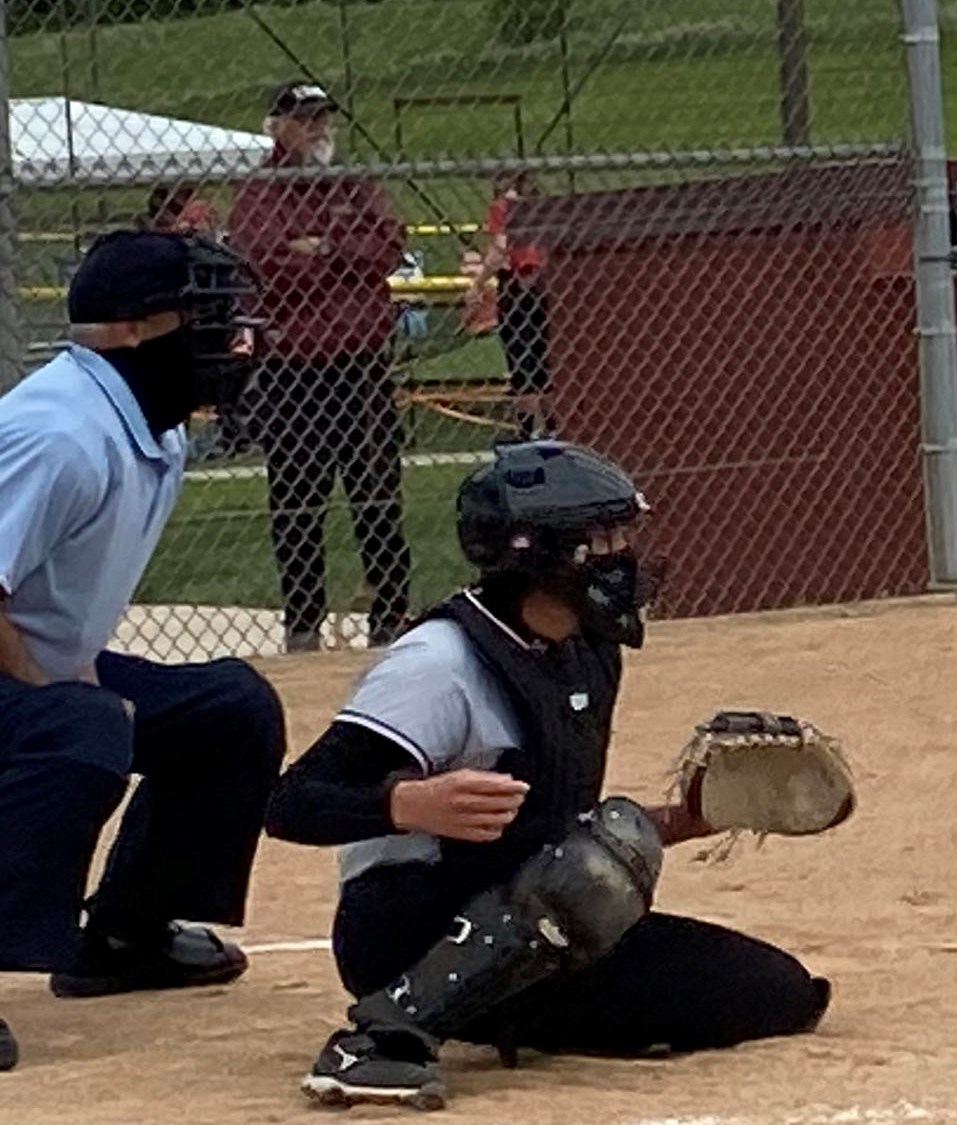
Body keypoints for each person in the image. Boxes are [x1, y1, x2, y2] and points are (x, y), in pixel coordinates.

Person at [264, 440, 831, 1109]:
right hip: (404, 933)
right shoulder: (438, 663)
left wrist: (692, 817)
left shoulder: (583, 648)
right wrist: (407, 803)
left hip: (533, 919)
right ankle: (383, 1034)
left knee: (778, 990)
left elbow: (557, 836)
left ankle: (499, 1008)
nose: (624, 554)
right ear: (539, 554)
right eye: (603, 538)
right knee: (582, 881)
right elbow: (290, 802)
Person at [0, 231, 286, 1070]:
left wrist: (75, 682)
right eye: (205, 315)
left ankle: (126, 934)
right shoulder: (58, 433)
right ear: (132, 330)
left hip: (33, 668)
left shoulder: (148, 426)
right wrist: (64, 695)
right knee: (80, 729)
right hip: (22, 676)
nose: (230, 335)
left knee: (230, 709)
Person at [231, 81, 413, 652]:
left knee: (378, 493)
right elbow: (263, 261)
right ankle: (303, 621)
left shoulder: (352, 184)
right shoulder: (261, 191)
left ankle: (391, 613)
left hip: (359, 366)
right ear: (276, 126)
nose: (318, 129)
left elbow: (386, 247)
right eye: (305, 119)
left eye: (323, 118)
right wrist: (338, 255)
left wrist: (325, 248)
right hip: (295, 370)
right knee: (297, 499)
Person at [469, 171, 553, 438]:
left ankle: (526, 431)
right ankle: (553, 427)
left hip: (517, 285)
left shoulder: (503, 207)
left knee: (521, 360)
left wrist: (478, 284)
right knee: (545, 360)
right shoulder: (540, 208)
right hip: (545, 284)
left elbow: (499, 250)